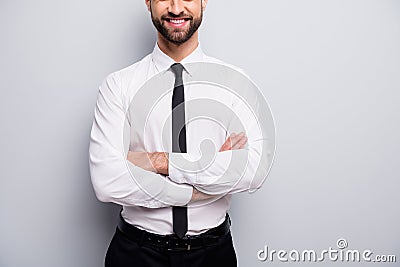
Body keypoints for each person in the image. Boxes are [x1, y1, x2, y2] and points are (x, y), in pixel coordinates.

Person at [89, 0, 272, 266]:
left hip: (212, 255)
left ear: (204, 1)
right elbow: (107, 181)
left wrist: (157, 161)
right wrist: (211, 173)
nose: (176, 8)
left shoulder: (235, 83)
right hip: (135, 254)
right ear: (148, 2)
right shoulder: (118, 86)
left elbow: (254, 170)